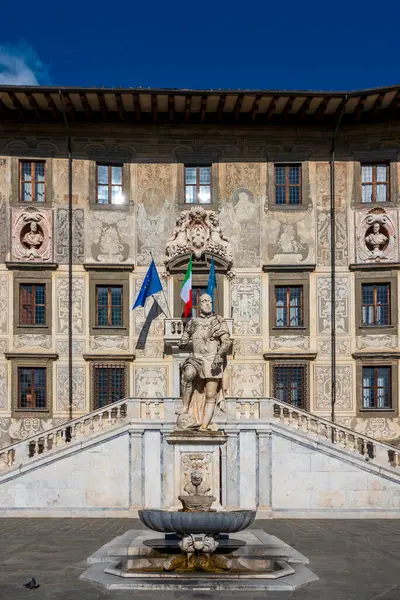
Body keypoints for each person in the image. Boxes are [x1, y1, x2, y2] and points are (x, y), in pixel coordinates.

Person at [178, 293, 231, 430]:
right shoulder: (193, 321)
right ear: (199, 304)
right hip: (196, 358)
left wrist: (219, 355)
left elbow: (226, 341)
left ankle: (204, 426)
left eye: (210, 302)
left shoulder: (218, 321)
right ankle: (185, 407)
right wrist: (184, 337)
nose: (208, 304)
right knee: (188, 374)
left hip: (213, 360)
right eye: (204, 301)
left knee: (210, 394)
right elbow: (182, 344)